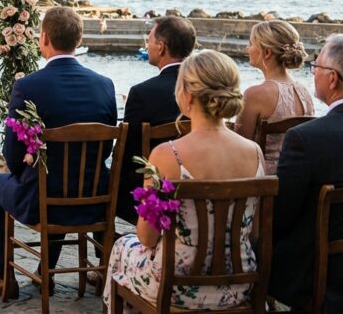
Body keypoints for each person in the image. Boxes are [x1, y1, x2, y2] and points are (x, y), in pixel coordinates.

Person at [103, 50, 265, 311]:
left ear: (187, 96)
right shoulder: (254, 153)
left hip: (177, 285)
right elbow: (254, 231)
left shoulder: (167, 155)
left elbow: (147, 237)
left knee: (123, 246)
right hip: (238, 283)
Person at [0, 7, 118, 298]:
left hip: (44, 201)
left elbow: (14, 158)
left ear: (43, 38)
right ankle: (45, 274)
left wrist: (22, 172)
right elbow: (104, 149)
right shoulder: (105, 85)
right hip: (94, 201)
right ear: (79, 40)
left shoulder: (28, 86)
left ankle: (6, 276)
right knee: (54, 179)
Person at [271, 34, 343, 312]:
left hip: (323, 278)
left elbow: (279, 217)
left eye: (316, 68)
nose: (313, 74)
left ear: (333, 79)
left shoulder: (307, 138)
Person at [118, 16, 196, 223]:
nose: (148, 45)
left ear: (161, 47)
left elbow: (128, 153)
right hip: (197, 185)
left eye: (149, 40)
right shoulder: (204, 88)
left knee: (107, 181)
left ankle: (104, 250)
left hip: (154, 189)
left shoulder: (142, 93)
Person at [235, 20, 314, 174]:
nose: (246, 48)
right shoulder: (304, 91)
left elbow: (240, 147)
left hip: (264, 184)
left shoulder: (255, 94)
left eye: (250, 43)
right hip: (297, 177)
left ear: (267, 52)